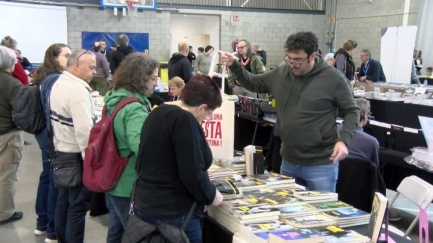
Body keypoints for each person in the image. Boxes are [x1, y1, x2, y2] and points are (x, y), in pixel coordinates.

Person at [220, 31, 360, 192]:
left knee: (320, 212)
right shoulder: (282, 73)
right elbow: (253, 83)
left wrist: (344, 140)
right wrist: (234, 65)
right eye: (289, 58)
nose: (293, 63)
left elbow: (352, 111)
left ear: (312, 56)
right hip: (288, 161)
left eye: (298, 60)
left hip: (321, 165)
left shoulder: (333, 79)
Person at [133, 74, 224, 243]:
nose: (209, 117)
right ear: (201, 107)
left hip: (146, 204)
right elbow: (192, 173)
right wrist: (211, 195)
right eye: (210, 112)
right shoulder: (185, 121)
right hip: (174, 213)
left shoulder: (158, 112)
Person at [103, 53, 158, 243]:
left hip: (111, 176)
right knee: (136, 235)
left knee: (116, 231)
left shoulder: (114, 98)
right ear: (140, 78)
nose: (155, 84)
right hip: (128, 182)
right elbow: (141, 146)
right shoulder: (135, 107)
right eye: (153, 78)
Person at [50, 49, 96, 243]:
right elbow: (84, 130)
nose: (95, 71)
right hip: (77, 155)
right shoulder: (77, 90)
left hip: (61, 151)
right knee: (77, 207)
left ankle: (62, 238)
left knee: (63, 203)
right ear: (77, 65)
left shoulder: (59, 82)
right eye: (92, 67)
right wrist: (91, 162)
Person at [31, 43, 71, 243]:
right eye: (66, 55)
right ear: (54, 58)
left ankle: (42, 223)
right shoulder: (55, 79)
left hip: (43, 134)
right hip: (52, 137)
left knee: (47, 177)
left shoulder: (43, 75)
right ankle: (52, 230)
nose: (70, 59)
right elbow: (53, 112)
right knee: (56, 182)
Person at [0, 45, 24, 225]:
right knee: (7, 176)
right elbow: (20, 113)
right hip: (7, 134)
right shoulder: (12, 83)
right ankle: (4, 213)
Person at [340, 98, 379, 166]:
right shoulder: (372, 142)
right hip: (359, 175)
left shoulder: (331, 131)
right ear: (365, 117)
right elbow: (374, 168)